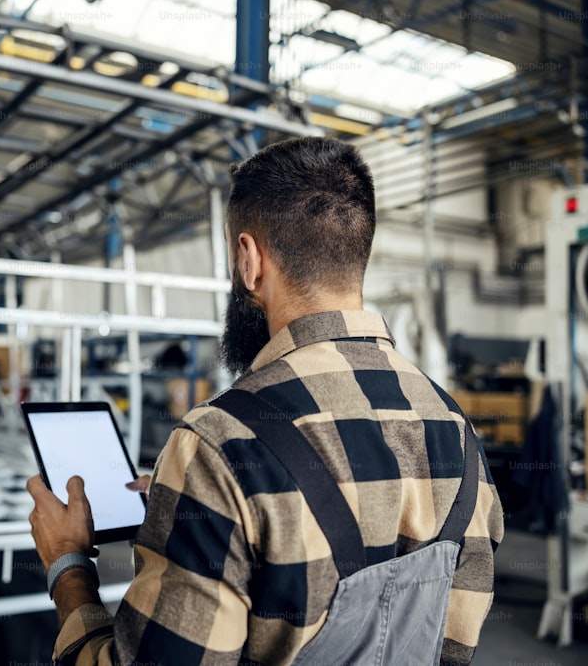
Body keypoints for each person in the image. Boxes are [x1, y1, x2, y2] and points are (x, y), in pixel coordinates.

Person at [27, 136, 504, 665]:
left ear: (249, 259)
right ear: (357, 255)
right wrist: (193, 515)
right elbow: (452, 643)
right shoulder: (456, 431)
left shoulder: (218, 442)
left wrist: (66, 563)